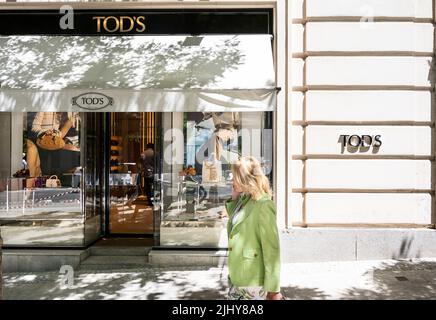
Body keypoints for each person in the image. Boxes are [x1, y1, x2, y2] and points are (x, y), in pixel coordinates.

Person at [225, 156, 283, 300]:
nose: (231, 180)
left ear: (245, 178)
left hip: (252, 281)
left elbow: (272, 249)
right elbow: (235, 222)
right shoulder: (245, 199)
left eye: (235, 177)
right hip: (237, 276)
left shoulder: (263, 204)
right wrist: (235, 195)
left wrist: (274, 289)